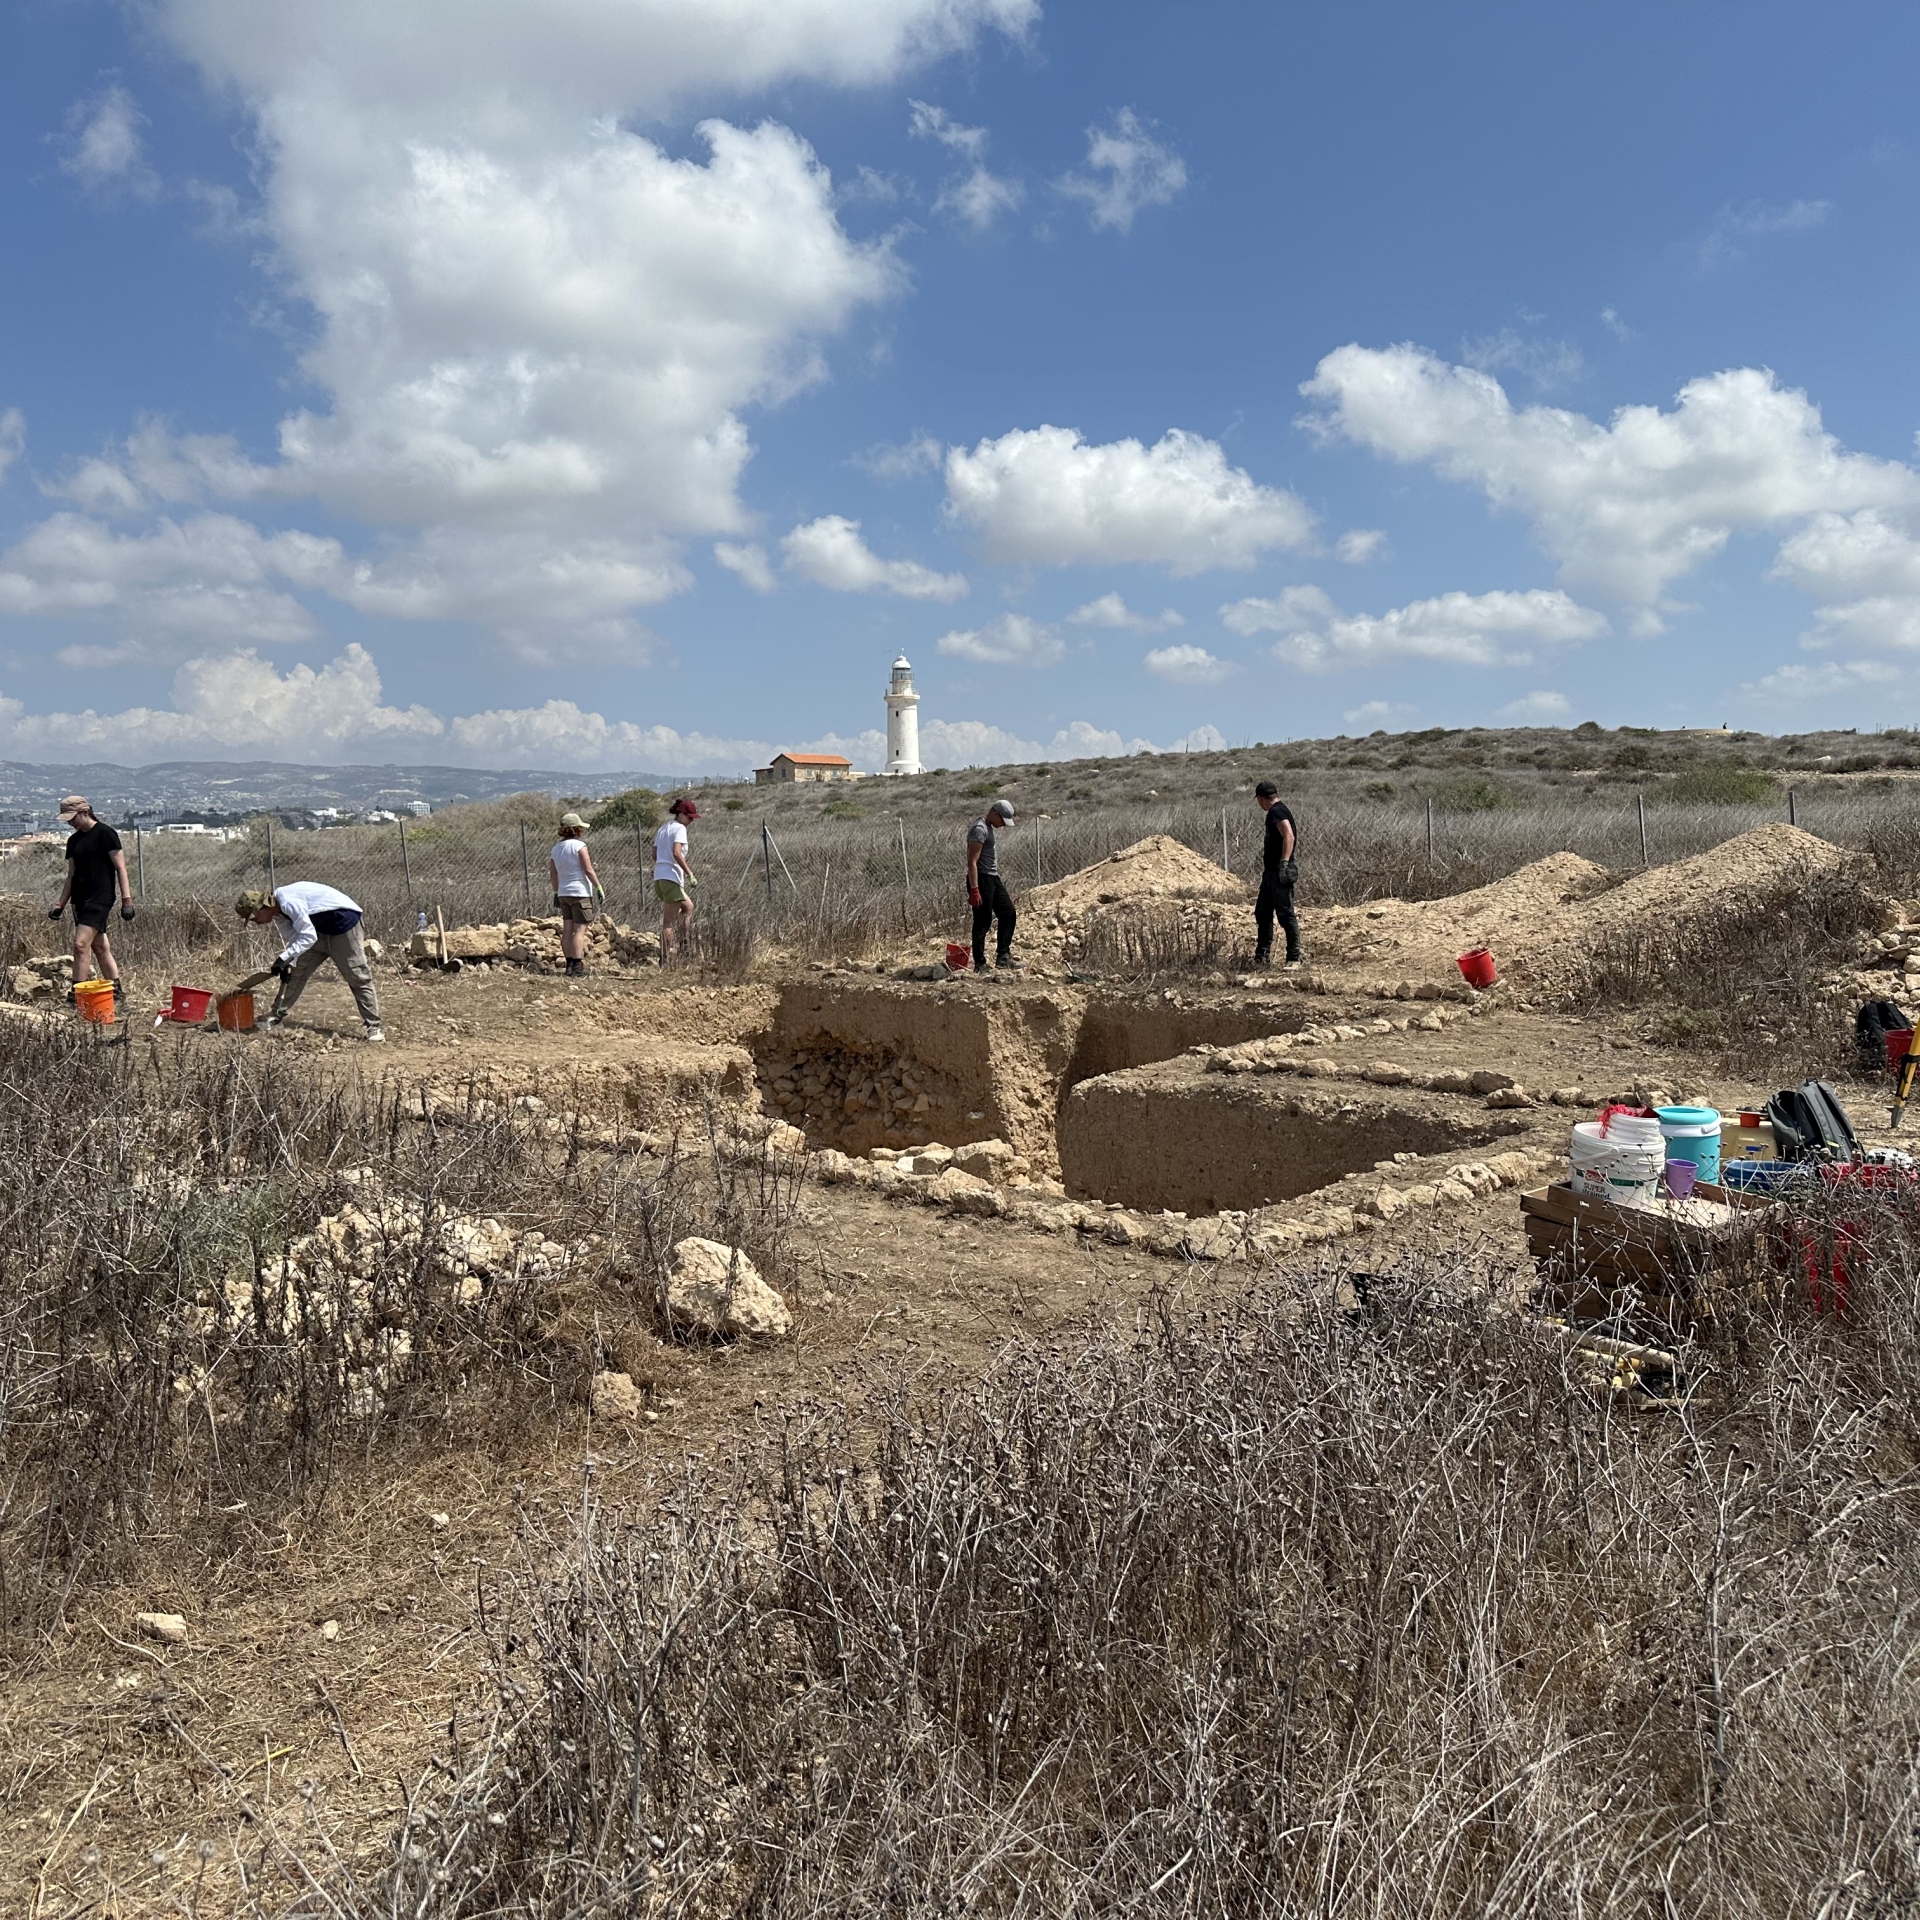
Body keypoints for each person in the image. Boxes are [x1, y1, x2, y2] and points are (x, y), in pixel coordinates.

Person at [235, 883, 384, 1041]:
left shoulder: (287, 902)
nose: (255, 922)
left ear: (262, 907)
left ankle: (374, 1027)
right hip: (317, 931)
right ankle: (275, 1018)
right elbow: (295, 938)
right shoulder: (277, 914)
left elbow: (308, 937)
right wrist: (289, 961)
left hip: (344, 927)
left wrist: (284, 958)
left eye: (253, 917)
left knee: (357, 976)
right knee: (296, 973)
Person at [48, 796, 135, 1010]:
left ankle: (75, 998)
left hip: (101, 897)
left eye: (72, 817)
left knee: (80, 945)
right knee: (99, 946)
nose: (70, 822)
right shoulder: (73, 841)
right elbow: (71, 876)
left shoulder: (106, 834)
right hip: (80, 899)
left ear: (84, 812)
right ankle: (117, 995)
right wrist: (60, 904)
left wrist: (127, 900)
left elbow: (121, 868)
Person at [966, 799, 1023, 972]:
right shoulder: (979, 829)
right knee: (983, 922)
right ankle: (980, 964)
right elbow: (972, 862)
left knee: (1008, 914)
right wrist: (975, 889)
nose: (1003, 825)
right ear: (995, 814)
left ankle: (1003, 958)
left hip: (993, 878)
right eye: (1002, 821)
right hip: (982, 879)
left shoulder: (988, 827)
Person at [549, 811, 605, 978]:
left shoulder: (555, 849)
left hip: (564, 892)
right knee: (580, 930)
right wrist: (598, 887)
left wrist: (556, 892)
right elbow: (588, 869)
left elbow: (553, 874)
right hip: (580, 892)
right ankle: (578, 965)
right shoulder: (580, 846)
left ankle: (569, 965)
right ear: (576, 829)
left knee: (567, 929)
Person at [1253, 781, 1302, 969]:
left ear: (1261, 798)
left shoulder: (1276, 811)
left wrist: (1284, 862)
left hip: (1279, 871)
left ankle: (1294, 957)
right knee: (1263, 912)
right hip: (1271, 872)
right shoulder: (1280, 810)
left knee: (1285, 914)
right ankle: (1262, 956)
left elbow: (1288, 835)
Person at [653, 797, 699, 962]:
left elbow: (654, 854)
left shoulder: (663, 828)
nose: (691, 820)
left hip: (659, 878)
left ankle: (684, 944)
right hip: (671, 878)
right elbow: (677, 852)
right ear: (680, 814)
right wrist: (689, 873)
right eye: (689, 816)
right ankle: (664, 960)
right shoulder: (680, 829)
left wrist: (663, 864)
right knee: (668, 923)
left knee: (688, 907)